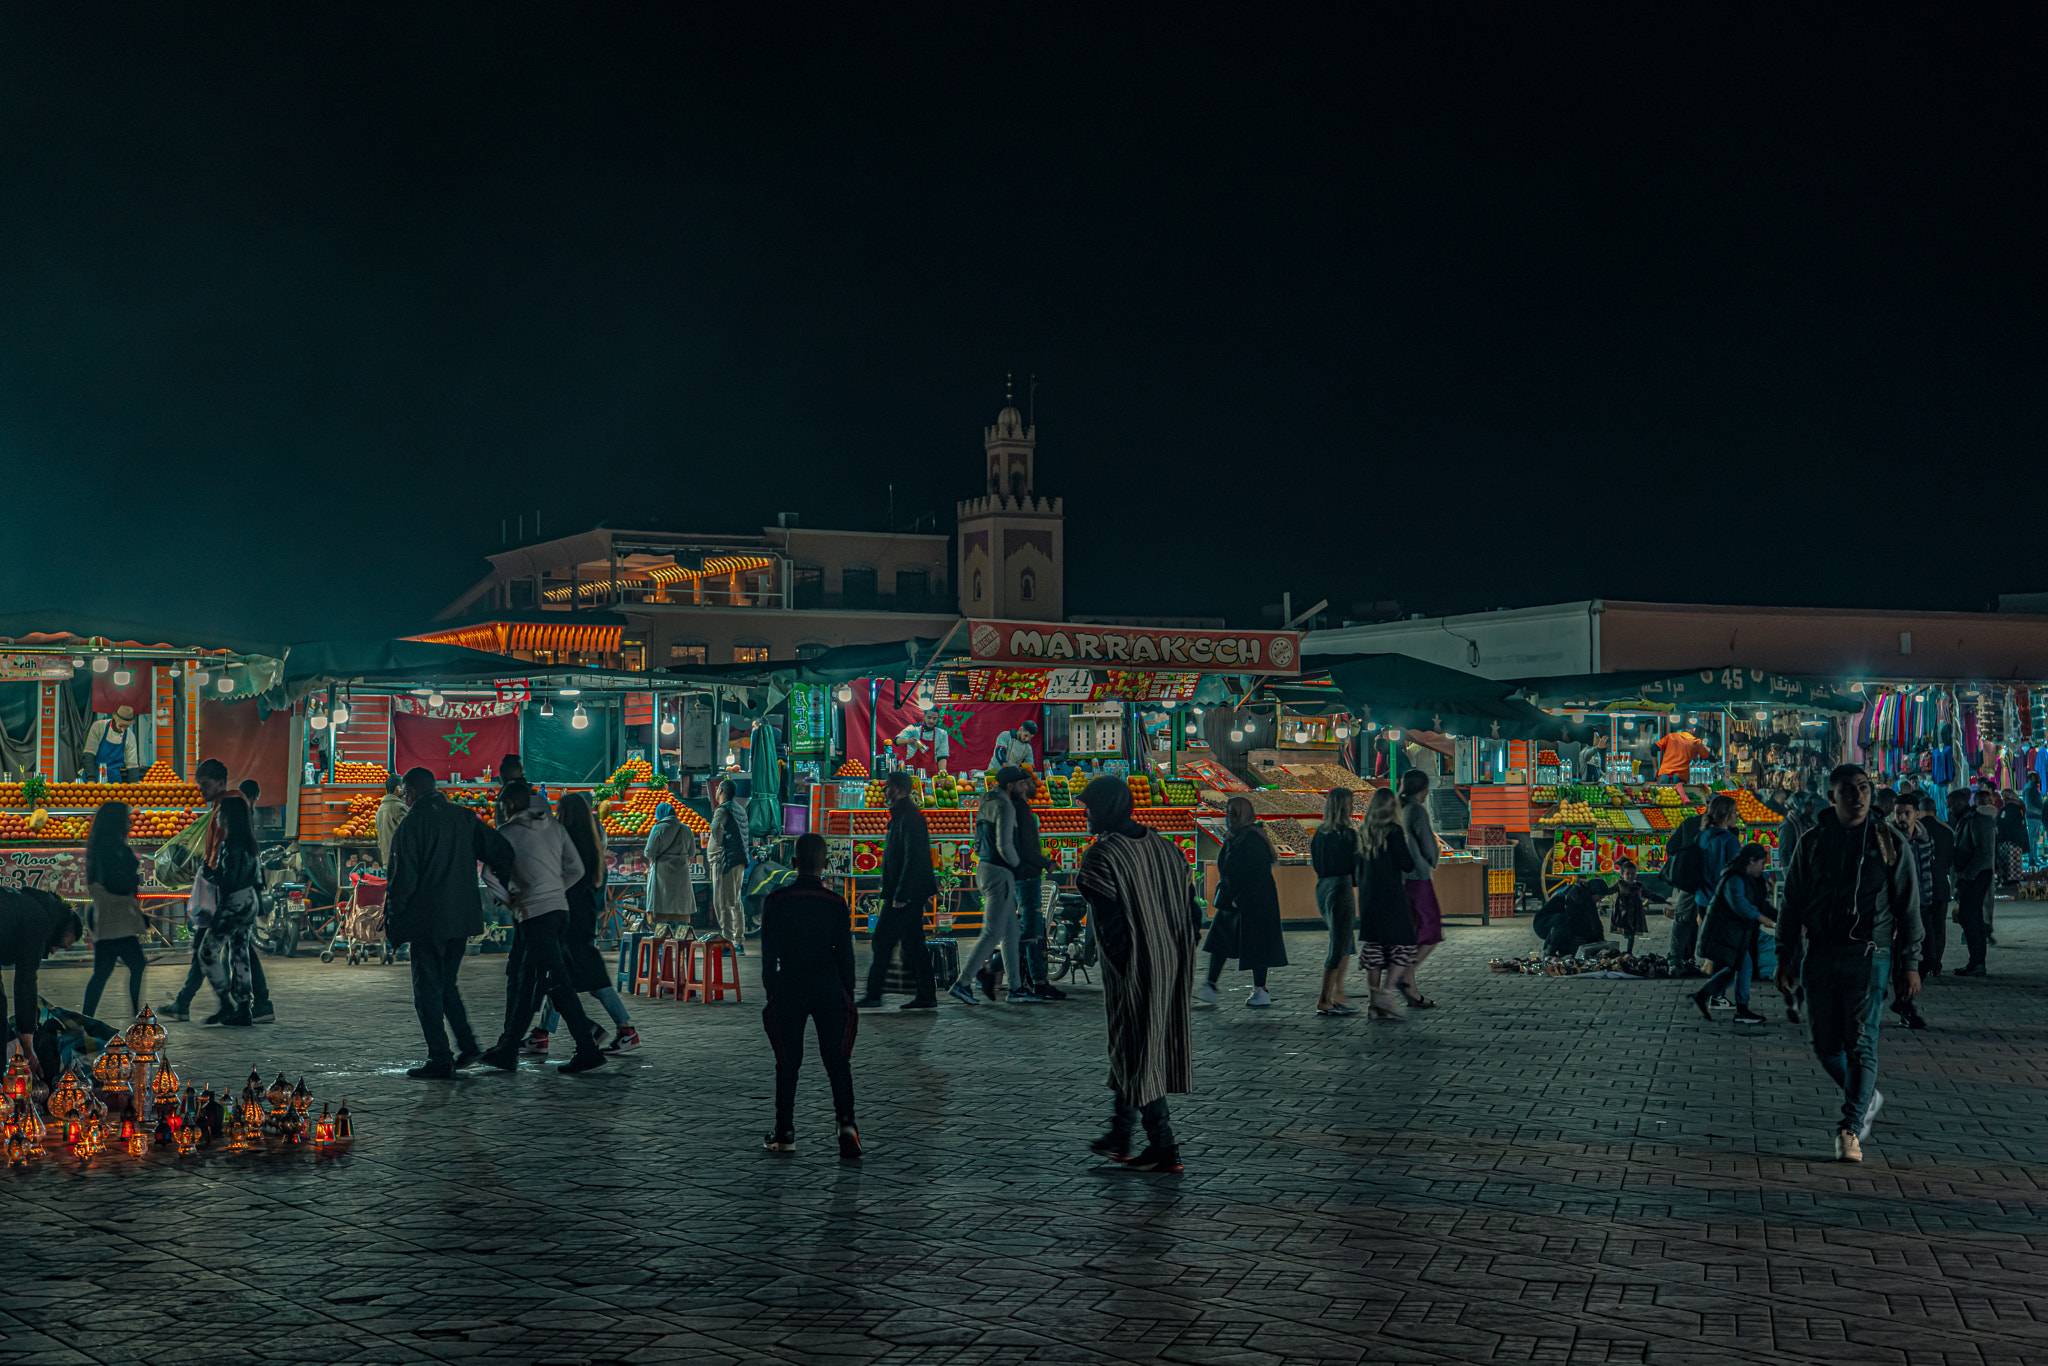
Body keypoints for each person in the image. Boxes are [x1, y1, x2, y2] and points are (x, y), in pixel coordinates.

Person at [1775, 764, 1922, 1163]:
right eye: (1848, 790)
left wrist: (1909, 962)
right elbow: (1791, 904)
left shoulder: (1889, 843)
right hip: (1821, 955)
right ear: (1832, 797)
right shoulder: (1813, 842)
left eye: (1864, 789)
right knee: (1825, 1046)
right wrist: (1785, 957)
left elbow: (1908, 907)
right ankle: (1866, 1094)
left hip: (1869, 956)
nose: (1857, 797)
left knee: (1861, 1043)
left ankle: (1850, 1128)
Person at [1075, 776, 1198, 1173]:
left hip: (1137, 967)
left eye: (1089, 808)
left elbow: (1111, 927)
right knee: (1136, 1046)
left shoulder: (1102, 856)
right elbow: (1194, 912)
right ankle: (1121, 1136)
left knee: (1138, 1052)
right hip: (1174, 961)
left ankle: (1165, 1146)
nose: (1085, 815)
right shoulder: (1167, 848)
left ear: (1106, 808)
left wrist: (1125, 967)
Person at [385, 767, 516, 1079]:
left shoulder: (412, 824)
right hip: (461, 917)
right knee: (446, 985)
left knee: (427, 991)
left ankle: (441, 1057)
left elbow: (402, 879)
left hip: (427, 920)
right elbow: (502, 850)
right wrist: (502, 885)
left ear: (411, 792)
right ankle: (468, 1045)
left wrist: (393, 918)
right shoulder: (463, 816)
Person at [476, 782, 606, 1074]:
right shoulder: (555, 829)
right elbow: (577, 870)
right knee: (532, 980)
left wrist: (511, 898)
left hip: (533, 914)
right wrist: (554, 889)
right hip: (559, 912)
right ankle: (508, 1048)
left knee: (556, 981)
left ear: (509, 805)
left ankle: (587, 1047)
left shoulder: (506, 833)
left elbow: (487, 872)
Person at [759, 833, 861, 1158]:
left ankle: (784, 1131)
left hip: (790, 983)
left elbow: (767, 957)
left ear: (793, 863)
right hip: (829, 984)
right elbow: (845, 954)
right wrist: (848, 990)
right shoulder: (835, 903)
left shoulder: (775, 901)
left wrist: (772, 991)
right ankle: (846, 1124)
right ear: (826, 864)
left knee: (787, 1063)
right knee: (837, 1061)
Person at [524, 791, 640, 1057]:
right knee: (561, 975)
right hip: (581, 915)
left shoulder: (570, 842)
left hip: (571, 917)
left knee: (585, 978)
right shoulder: (591, 841)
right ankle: (542, 1034)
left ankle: (625, 1029)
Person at [950, 766, 1039, 1004]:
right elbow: (1005, 844)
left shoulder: (985, 803)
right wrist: (1017, 865)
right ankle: (963, 982)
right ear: (1010, 786)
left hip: (986, 868)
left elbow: (978, 843)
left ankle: (1016, 988)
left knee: (1011, 932)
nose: (1024, 787)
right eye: (1021, 783)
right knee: (992, 933)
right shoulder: (1005, 806)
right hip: (1001, 872)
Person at [856, 771, 939, 1010]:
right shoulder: (901, 817)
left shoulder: (910, 818)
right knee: (914, 942)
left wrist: (901, 895)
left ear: (901, 791)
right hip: (905, 891)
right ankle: (925, 994)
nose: (885, 791)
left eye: (889, 786)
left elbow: (913, 859)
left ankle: (875, 993)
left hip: (907, 893)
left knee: (883, 939)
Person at [1197, 795, 1286, 1007]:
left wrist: (1240, 898)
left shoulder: (1251, 839)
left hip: (1248, 903)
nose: (1228, 818)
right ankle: (1214, 985)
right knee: (1224, 942)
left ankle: (1259, 989)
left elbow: (1253, 874)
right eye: (1228, 813)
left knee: (1252, 945)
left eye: (1233, 814)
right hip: (1239, 900)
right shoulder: (1240, 837)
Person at [1, 888, 83, 1081]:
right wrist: (28, 1047)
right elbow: (25, 982)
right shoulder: (39, 921)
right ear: (61, 930)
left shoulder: (26, 906)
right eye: (60, 946)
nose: (53, 951)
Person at [171, 758, 231, 1021]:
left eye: (205, 785)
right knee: (202, 948)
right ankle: (184, 1003)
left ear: (220, 783)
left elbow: (223, 853)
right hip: (217, 891)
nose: (201, 790)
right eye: (199, 785)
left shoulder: (226, 811)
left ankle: (240, 1003)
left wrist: (211, 874)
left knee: (208, 950)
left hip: (222, 893)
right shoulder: (216, 810)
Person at [1689, 842, 1771, 1023]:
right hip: (1723, 933)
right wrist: (1761, 918)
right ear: (1751, 861)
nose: (1762, 868)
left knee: (1735, 967)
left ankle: (1702, 996)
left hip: (1733, 933)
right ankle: (1741, 1010)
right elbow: (1740, 905)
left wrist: (1775, 916)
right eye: (1761, 863)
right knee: (1743, 965)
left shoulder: (1747, 878)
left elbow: (1760, 903)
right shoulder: (1734, 878)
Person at [82, 801, 149, 1021]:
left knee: (102, 973)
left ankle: (87, 1017)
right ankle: (136, 1013)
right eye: (126, 818)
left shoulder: (99, 848)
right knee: (136, 964)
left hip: (106, 918)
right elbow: (120, 882)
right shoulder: (114, 850)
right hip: (116, 919)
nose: (130, 823)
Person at [199, 795, 261, 1027]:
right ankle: (244, 1007)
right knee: (239, 952)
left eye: (221, 815)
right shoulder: (250, 844)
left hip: (234, 902)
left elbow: (229, 880)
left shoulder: (231, 845)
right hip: (249, 900)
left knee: (207, 951)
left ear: (230, 818)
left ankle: (226, 1001)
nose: (218, 819)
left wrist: (208, 874)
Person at [1354, 787, 1416, 1018]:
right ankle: (1387, 994)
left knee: (1374, 948)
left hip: (1369, 897)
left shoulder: (1363, 832)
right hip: (1391, 896)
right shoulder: (1394, 831)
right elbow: (1407, 864)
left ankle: (1373, 1004)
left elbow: (1356, 868)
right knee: (1405, 944)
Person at [1008, 768, 1065, 1000]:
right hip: (1027, 875)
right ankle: (1033, 980)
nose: (1036, 785)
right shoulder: (1020, 810)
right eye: (1031, 781)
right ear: (1021, 785)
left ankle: (1026, 980)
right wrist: (1046, 863)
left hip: (1020, 874)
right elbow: (1028, 847)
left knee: (1028, 929)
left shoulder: (1015, 808)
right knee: (1032, 931)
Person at [1309, 786, 1360, 1016]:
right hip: (1341, 887)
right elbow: (1355, 868)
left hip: (1323, 886)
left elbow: (1317, 865)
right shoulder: (1348, 835)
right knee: (1339, 942)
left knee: (1345, 940)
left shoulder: (1320, 834)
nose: (1352, 808)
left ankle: (1338, 993)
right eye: (1349, 804)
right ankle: (1325, 998)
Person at [1885, 797, 1934, 1029]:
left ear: (1916, 814)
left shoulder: (1924, 838)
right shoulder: (1887, 838)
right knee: (1901, 959)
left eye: (1906, 813)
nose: (1901, 818)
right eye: (1898, 813)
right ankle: (1905, 1006)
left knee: (1930, 957)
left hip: (1922, 904)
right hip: (1896, 908)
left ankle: (1901, 1000)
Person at [1396, 770, 1443, 1007]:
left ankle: (1411, 989)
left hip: (1399, 877)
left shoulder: (1396, 809)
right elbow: (1427, 843)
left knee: (1411, 933)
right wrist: (1434, 857)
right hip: (1417, 876)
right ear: (1423, 790)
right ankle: (1405, 972)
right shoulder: (1416, 810)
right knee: (1431, 929)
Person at [1951, 788, 1997, 976]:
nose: (1949, 811)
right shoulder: (1968, 820)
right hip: (1972, 874)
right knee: (1971, 916)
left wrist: (1968, 875)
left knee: (1969, 916)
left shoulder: (1978, 820)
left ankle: (1977, 961)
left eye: (1951, 806)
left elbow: (1983, 852)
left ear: (1960, 804)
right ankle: (1976, 961)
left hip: (1976, 875)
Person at [1663, 806, 1708, 974]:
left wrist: (1686, 858)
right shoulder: (1726, 828)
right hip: (1713, 882)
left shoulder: (1691, 822)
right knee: (1707, 919)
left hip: (1691, 879)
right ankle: (1695, 959)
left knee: (1684, 918)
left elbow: (1671, 847)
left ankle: (1677, 959)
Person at [643, 801, 700, 932]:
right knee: (681, 911)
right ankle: (683, 946)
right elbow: (692, 852)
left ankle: (661, 948)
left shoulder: (658, 828)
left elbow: (649, 852)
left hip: (662, 875)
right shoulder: (686, 829)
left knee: (661, 911)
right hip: (682, 874)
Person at [1914, 793, 1954, 981]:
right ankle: (1936, 963)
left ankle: (1923, 962)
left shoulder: (1917, 830)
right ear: (1935, 810)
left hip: (1920, 887)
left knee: (1921, 925)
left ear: (1918, 812)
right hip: (1940, 884)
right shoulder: (1946, 831)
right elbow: (1950, 861)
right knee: (1939, 926)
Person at [707, 780, 749, 947]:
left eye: (717, 789)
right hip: (739, 860)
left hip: (725, 861)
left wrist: (717, 843)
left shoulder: (722, 809)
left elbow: (716, 828)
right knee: (736, 901)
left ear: (721, 791)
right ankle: (738, 940)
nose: (716, 792)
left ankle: (728, 940)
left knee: (723, 902)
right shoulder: (740, 809)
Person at [1533, 881, 1606, 958]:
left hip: (1564, 924)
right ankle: (1549, 952)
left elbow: (1595, 922)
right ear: (1593, 892)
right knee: (1564, 922)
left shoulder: (1589, 899)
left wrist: (1600, 943)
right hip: (1544, 923)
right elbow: (1574, 919)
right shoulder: (1574, 895)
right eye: (1599, 897)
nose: (1599, 900)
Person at [83, 704, 144, 782]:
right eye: (121, 726)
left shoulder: (130, 736)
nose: (123, 730)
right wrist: (90, 779)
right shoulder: (98, 727)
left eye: (126, 727)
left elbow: (132, 765)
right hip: (93, 777)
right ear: (115, 720)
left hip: (114, 780)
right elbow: (88, 755)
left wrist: (134, 787)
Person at [1608, 858, 1649, 954]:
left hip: (1634, 913)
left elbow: (1648, 894)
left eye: (1632, 873)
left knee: (1631, 934)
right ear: (1622, 875)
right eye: (1628, 874)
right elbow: (1609, 891)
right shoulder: (1619, 884)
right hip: (1623, 913)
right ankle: (1627, 952)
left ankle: (1629, 952)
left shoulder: (1638, 885)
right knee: (1628, 932)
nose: (1630, 876)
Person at [1996, 788, 2029, 887]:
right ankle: (2013, 878)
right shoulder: (2019, 806)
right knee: (2014, 860)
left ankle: (2009, 879)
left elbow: (2004, 822)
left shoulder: (2009, 808)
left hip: (2008, 838)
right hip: (2017, 839)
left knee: (2009, 859)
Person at [374, 775, 408, 869]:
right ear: (398, 789)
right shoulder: (399, 807)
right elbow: (408, 833)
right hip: (400, 859)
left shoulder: (380, 809)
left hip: (386, 858)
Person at [2026, 774, 2045, 865]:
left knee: (2035, 838)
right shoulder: (2029, 789)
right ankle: (2032, 858)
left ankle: (2035, 857)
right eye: (2036, 777)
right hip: (2032, 816)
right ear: (2032, 778)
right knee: (2032, 839)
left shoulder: (2032, 788)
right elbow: (2028, 806)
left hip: (2035, 816)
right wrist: (2040, 811)